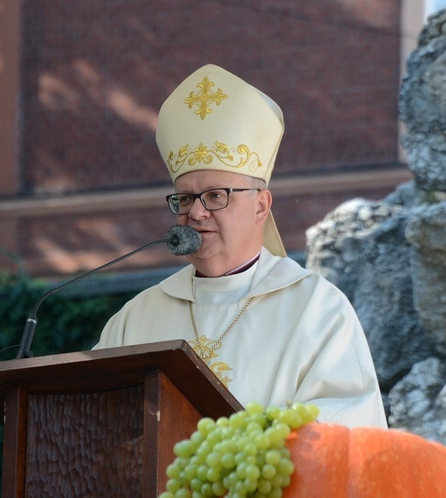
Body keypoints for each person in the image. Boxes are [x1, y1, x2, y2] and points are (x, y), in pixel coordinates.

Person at [94, 64, 387, 428]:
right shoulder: (135, 319)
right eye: (185, 199)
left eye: (216, 195)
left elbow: (347, 438)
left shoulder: (316, 311)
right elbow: (91, 428)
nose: (197, 212)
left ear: (260, 206)